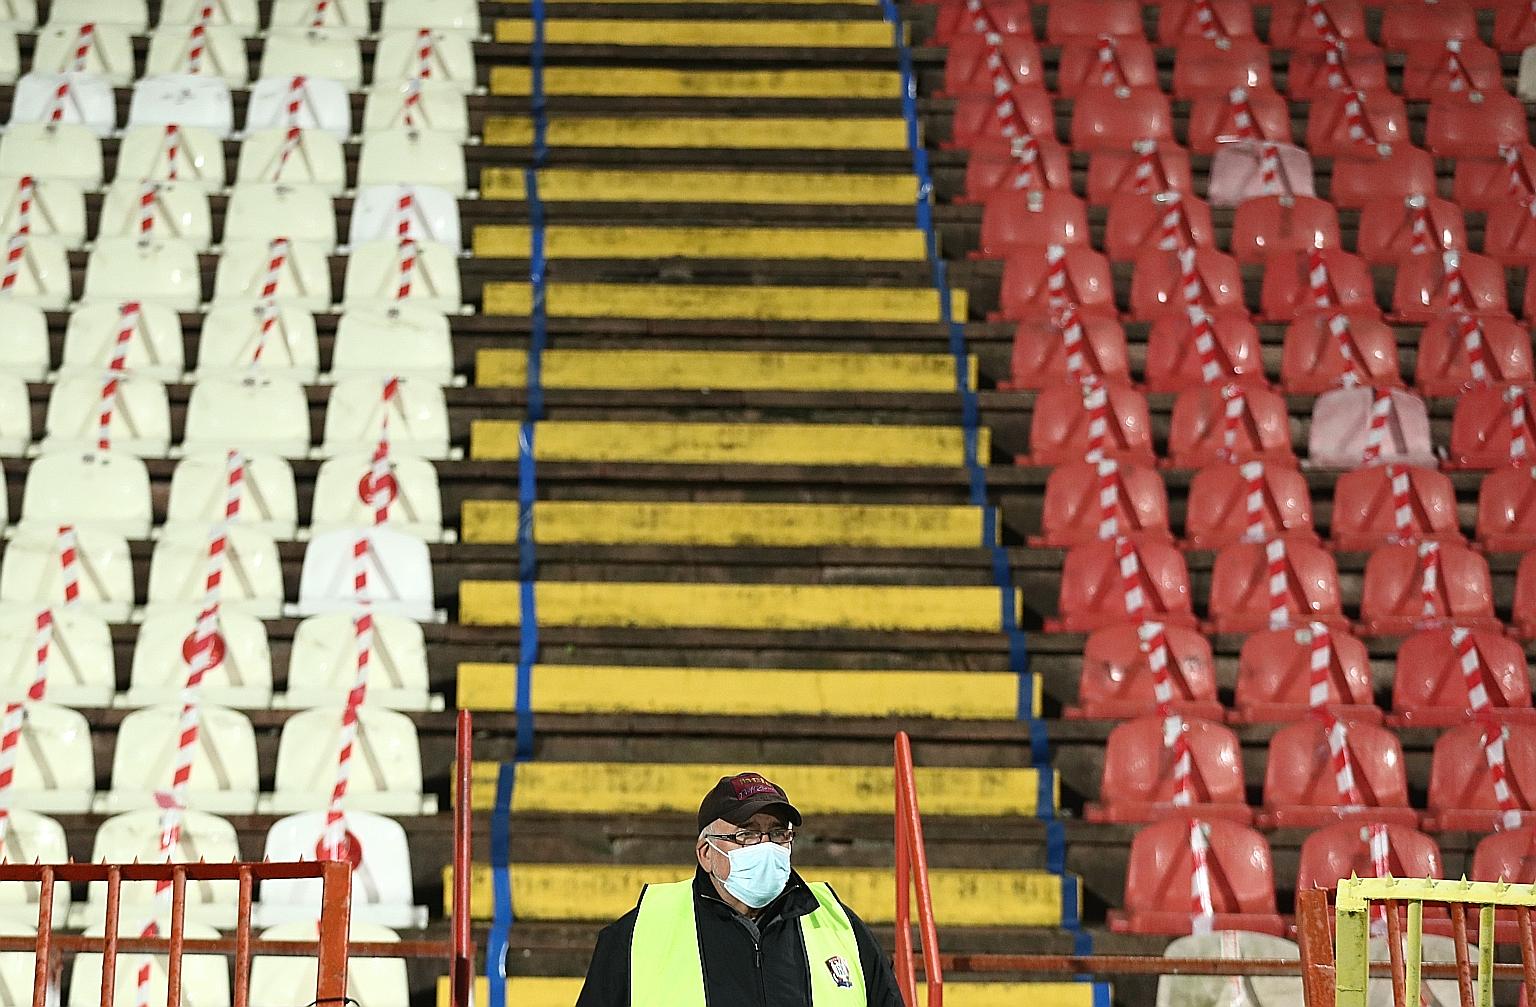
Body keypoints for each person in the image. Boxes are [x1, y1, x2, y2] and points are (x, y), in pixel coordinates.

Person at [575, 771, 904, 1006]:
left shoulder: (839, 925)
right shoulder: (639, 933)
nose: (766, 846)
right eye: (746, 834)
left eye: (777, 833)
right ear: (707, 853)